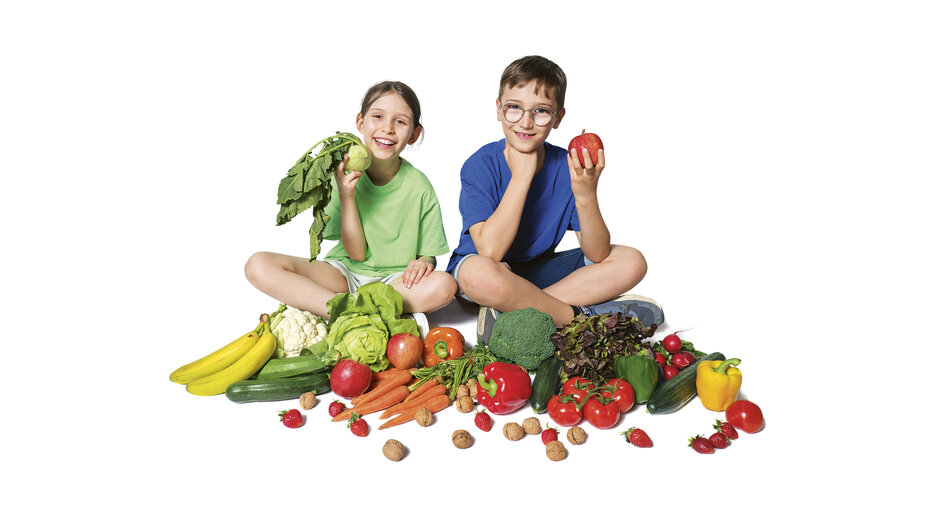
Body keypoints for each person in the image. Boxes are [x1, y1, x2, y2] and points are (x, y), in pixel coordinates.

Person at [445, 56, 664, 342]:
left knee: (631, 260)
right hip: (488, 270)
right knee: (478, 274)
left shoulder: (565, 164)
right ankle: (581, 318)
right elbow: (490, 251)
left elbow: (597, 254)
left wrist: (586, 193)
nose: (525, 122)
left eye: (541, 112)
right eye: (514, 108)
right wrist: (522, 176)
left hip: (537, 273)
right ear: (498, 110)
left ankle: (513, 314)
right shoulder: (480, 165)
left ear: (558, 118)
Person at [246, 81, 457, 318]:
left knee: (445, 285)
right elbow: (356, 254)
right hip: (343, 274)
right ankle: (358, 309)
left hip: (395, 282)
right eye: (378, 116)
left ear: (413, 134)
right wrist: (347, 196)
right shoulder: (342, 174)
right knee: (258, 265)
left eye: (400, 121)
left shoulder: (419, 186)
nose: (387, 128)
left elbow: (428, 254)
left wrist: (425, 262)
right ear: (360, 122)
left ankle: (342, 308)